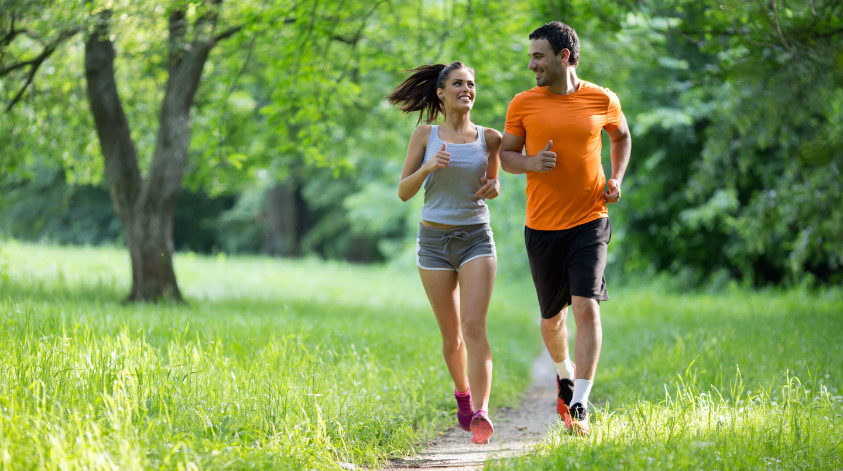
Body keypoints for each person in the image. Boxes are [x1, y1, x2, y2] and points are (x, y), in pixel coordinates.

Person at [499, 21, 632, 436]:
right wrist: (531, 163)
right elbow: (506, 156)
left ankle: (579, 402)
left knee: (586, 305)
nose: (531, 64)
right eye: (530, 57)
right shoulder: (522, 104)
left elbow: (622, 136)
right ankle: (563, 372)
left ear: (565, 56)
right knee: (552, 317)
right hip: (541, 225)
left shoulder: (601, 99)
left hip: (590, 220)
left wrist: (616, 179)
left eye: (538, 56)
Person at [388, 61, 502, 444]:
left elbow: (494, 180)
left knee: (474, 326)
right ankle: (464, 395)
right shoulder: (425, 135)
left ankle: (483, 411)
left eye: (471, 83)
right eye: (458, 83)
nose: (466, 89)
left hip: (476, 239)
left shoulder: (490, 138)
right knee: (452, 338)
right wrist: (428, 167)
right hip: (434, 244)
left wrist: (494, 187)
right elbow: (404, 191)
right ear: (441, 93)